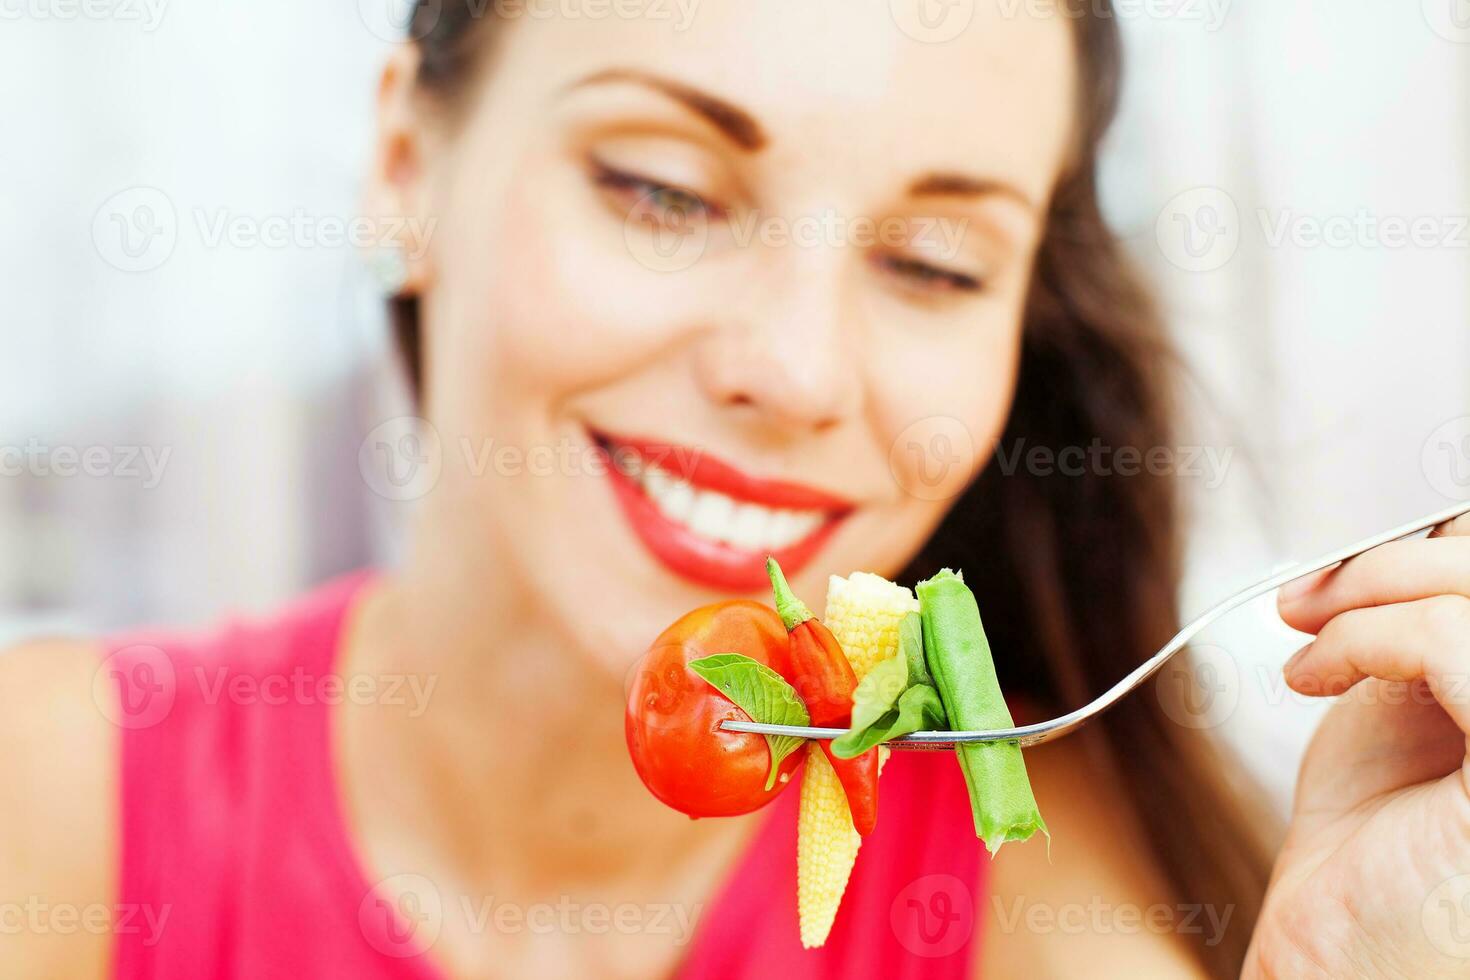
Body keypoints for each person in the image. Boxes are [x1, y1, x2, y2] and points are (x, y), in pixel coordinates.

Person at [5, 1, 1469, 977]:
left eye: (932, 264)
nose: (795, 368)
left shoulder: (1041, 890)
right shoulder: (60, 797)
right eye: (662, 188)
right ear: (404, 164)